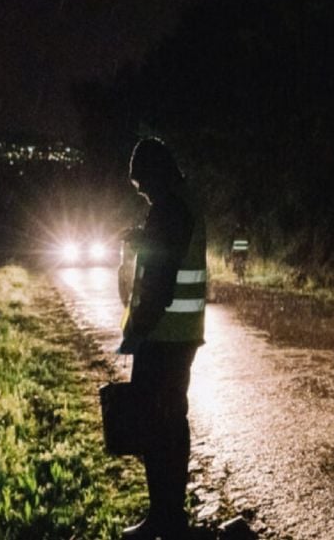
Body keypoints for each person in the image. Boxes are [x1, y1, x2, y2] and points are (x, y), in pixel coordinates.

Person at [117, 137, 206, 539]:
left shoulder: (168, 209)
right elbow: (168, 250)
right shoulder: (179, 204)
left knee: (159, 428)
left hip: (163, 337)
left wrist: (137, 333)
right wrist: (142, 237)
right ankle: (168, 515)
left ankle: (165, 519)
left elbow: (161, 282)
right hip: (178, 336)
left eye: (143, 185)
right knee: (170, 423)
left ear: (156, 174)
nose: (143, 194)